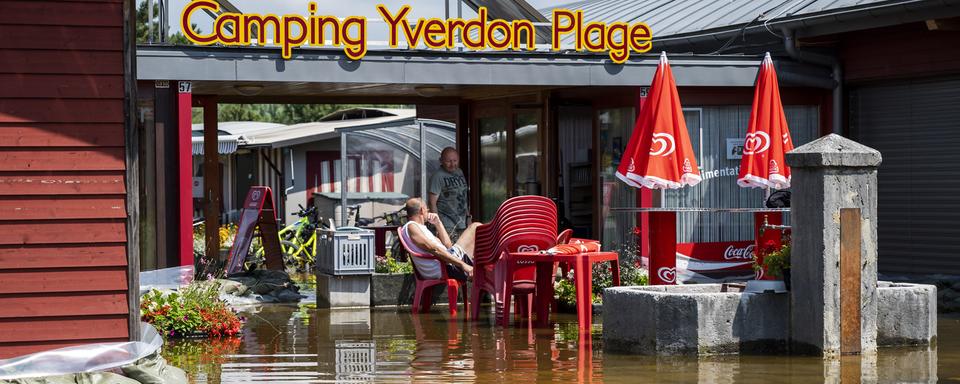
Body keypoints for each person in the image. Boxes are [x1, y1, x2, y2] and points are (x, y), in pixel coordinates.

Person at [401, 197, 480, 281]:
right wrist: (463, 265)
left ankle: (484, 267)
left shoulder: (421, 229)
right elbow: (434, 249)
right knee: (476, 227)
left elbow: (448, 246)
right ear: (422, 210)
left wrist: (438, 223)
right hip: (446, 267)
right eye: (427, 209)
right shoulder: (411, 226)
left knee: (476, 227)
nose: (428, 211)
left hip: (448, 262)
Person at [428, 147, 470, 242]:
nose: (452, 164)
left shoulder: (459, 172)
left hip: (462, 223)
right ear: (441, 161)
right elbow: (432, 203)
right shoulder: (437, 176)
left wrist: (468, 217)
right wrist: (438, 226)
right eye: (448, 161)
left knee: (463, 252)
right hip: (447, 225)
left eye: (455, 160)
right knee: (451, 252)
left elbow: (463, 196)